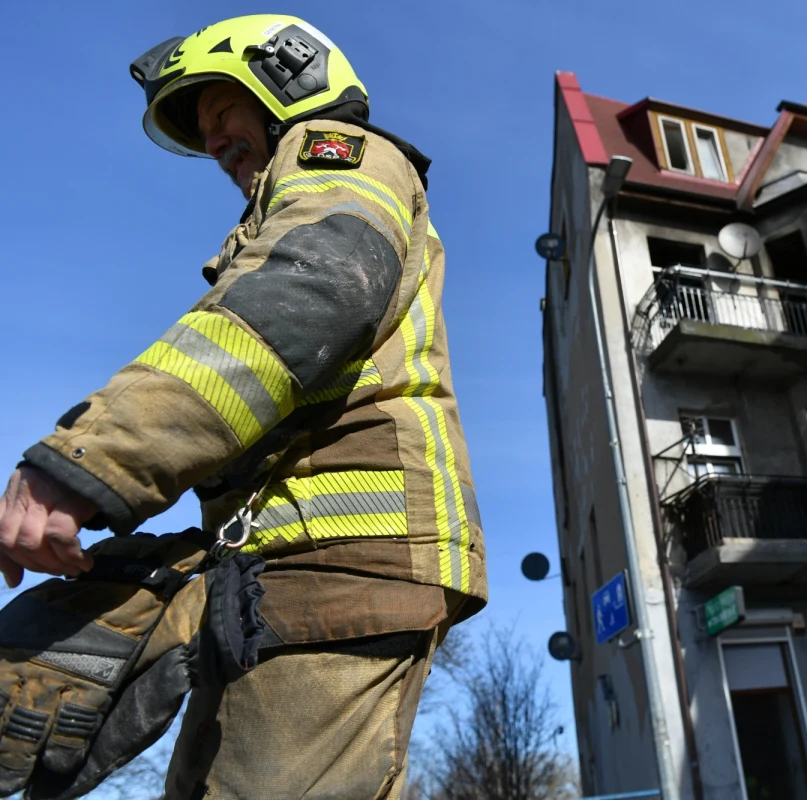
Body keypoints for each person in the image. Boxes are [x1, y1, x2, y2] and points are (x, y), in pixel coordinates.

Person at [0, 14, 486, 799]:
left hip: (336, 571)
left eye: (223, 112)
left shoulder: (343, 160)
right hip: (282, 575)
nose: (217, 144)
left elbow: (305, 298)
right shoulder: (280, 208)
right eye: (203, 133)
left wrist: (87, 462)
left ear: (289, 80)